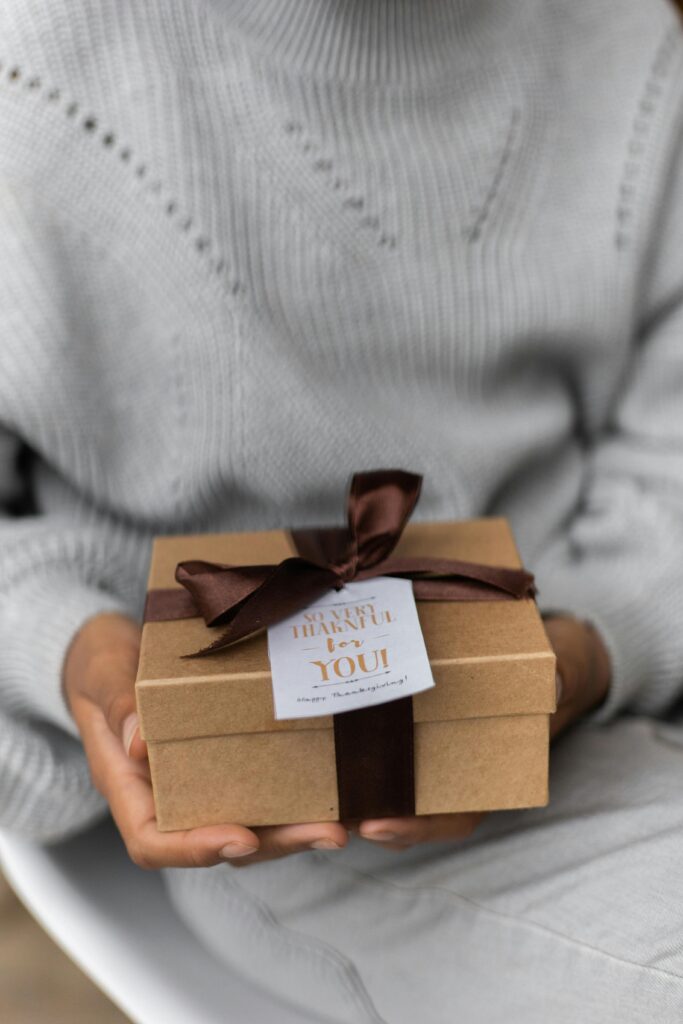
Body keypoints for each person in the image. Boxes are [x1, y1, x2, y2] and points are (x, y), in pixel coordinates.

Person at [2, 0, 683, 1020]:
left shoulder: (619, 37)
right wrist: (83, 657)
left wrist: (587, 649)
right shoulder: (37, 71)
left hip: (591, 674)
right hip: (297, 821)